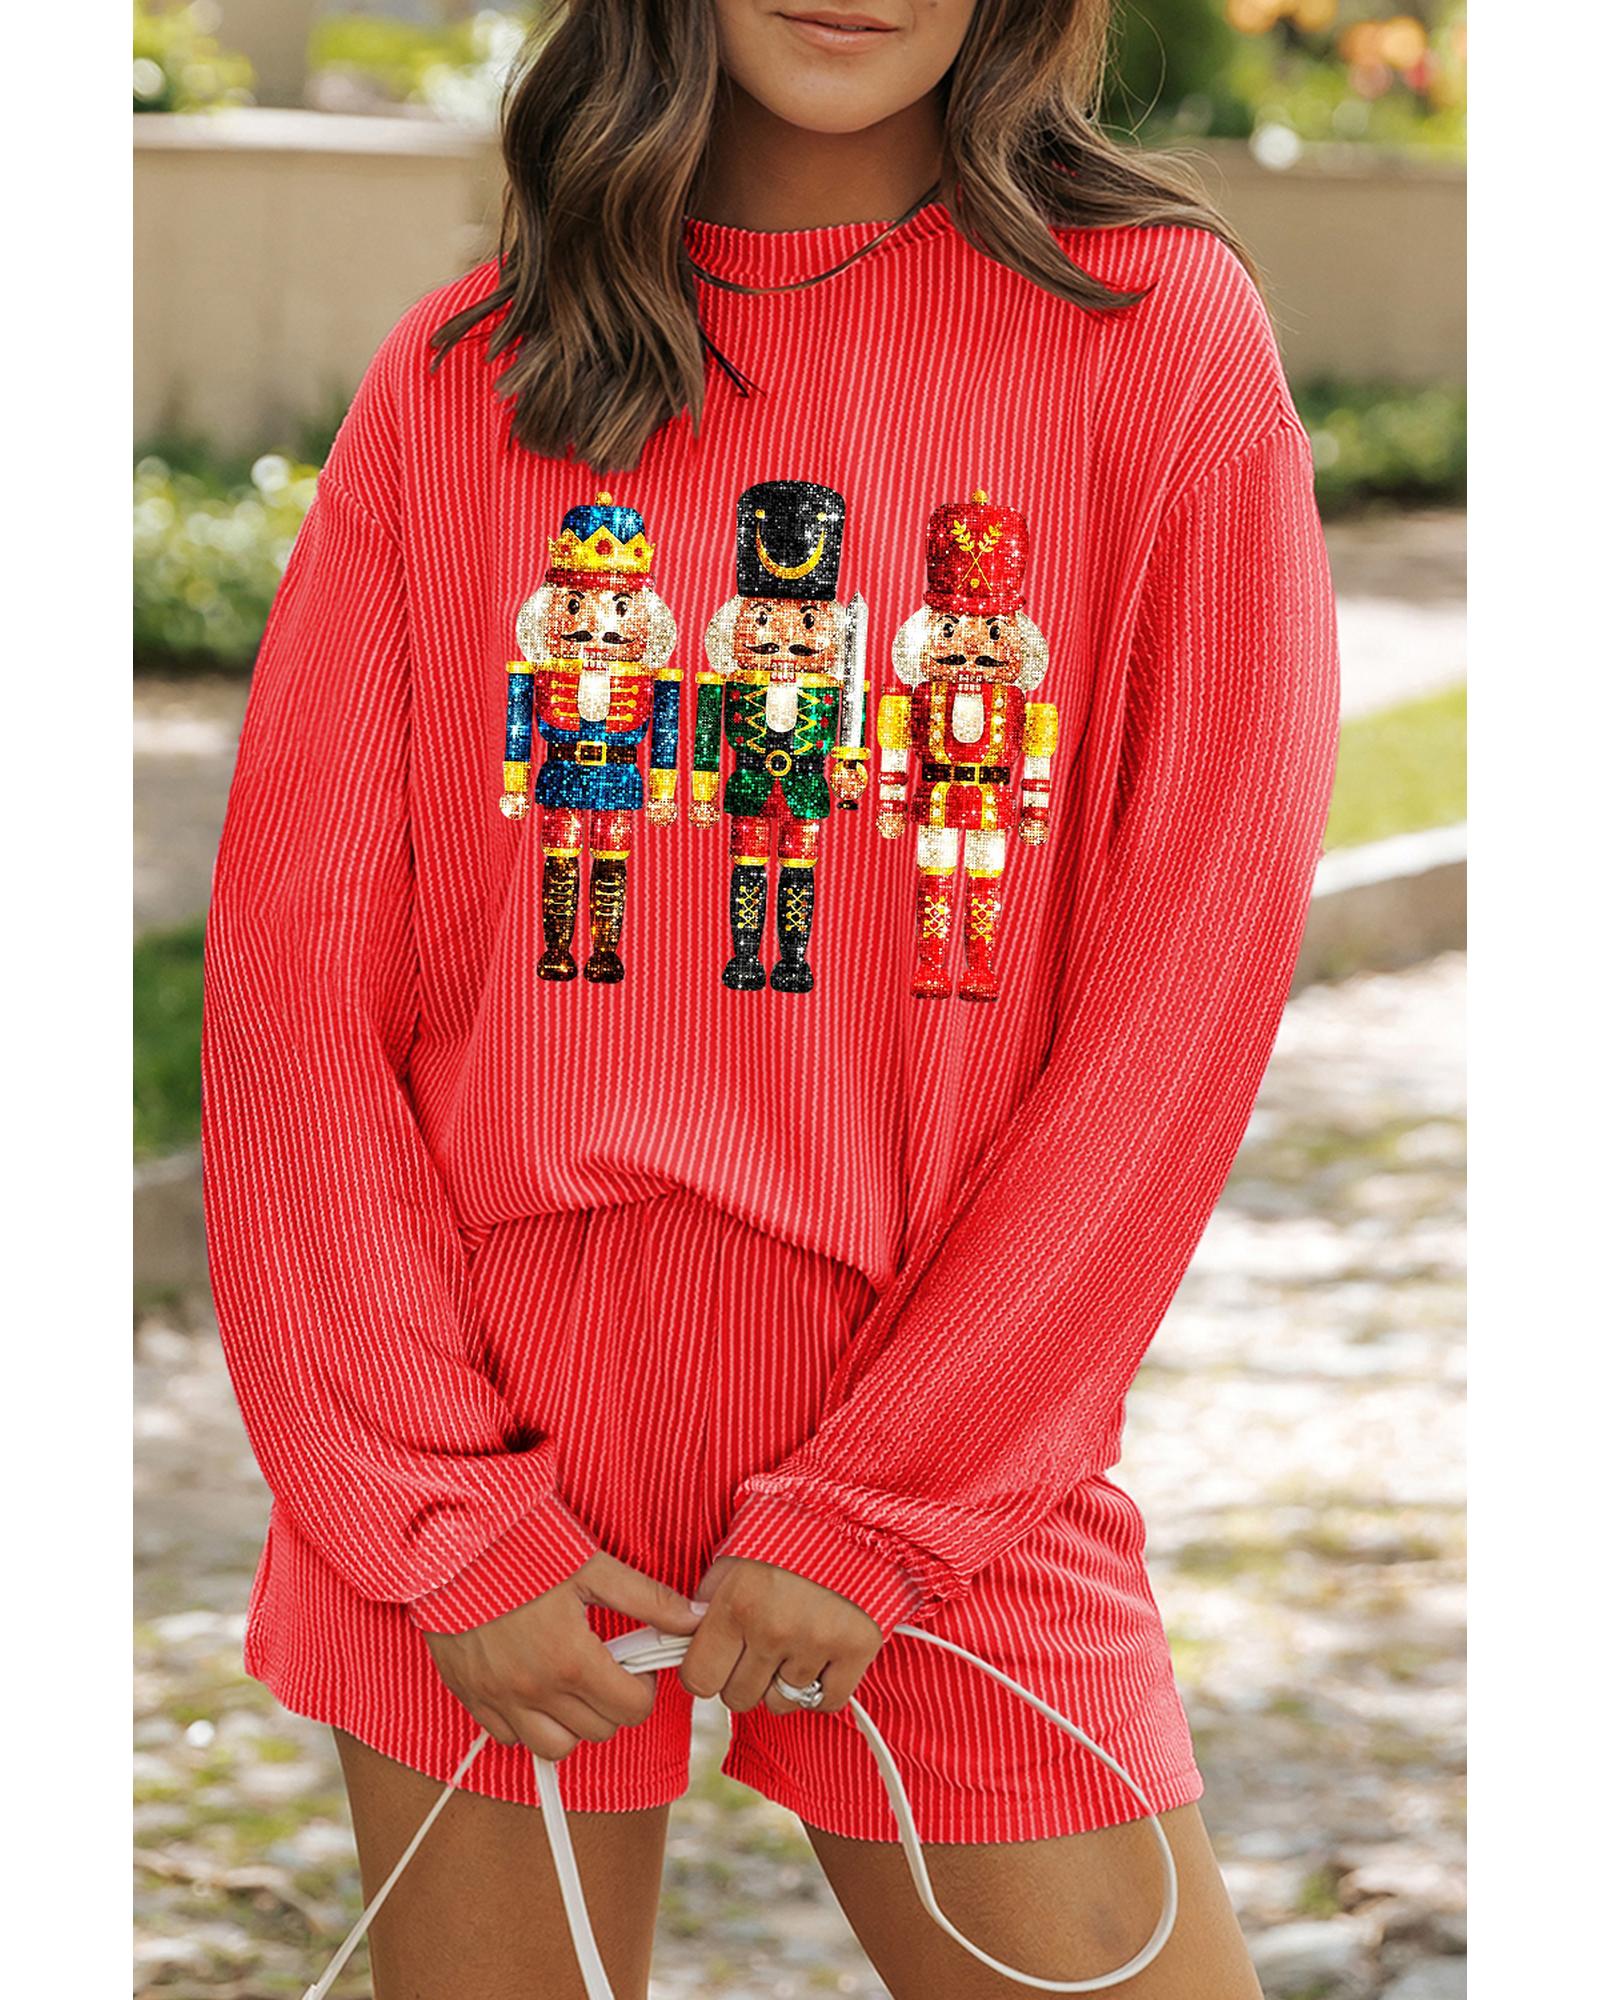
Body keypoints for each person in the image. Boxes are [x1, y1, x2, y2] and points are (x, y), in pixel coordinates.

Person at [199, 2, 1341, 1994]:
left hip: (947, 1448)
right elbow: (296, 986)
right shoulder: (467, 374)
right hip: (492, 1435)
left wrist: (889, 1497)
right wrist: (437, 1513)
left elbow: (1185, 982)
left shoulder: (1149, 339)